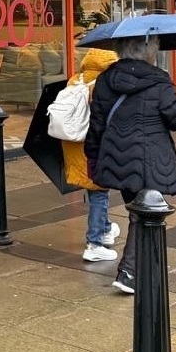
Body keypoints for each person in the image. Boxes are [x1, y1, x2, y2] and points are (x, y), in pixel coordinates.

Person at [84, 35, 176, 294]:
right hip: (151, 159)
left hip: (116, 157)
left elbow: (96, 125)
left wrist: (93, 158)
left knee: (138, 210)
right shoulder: (159, 80)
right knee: (144, 214)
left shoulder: (105, 80)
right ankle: (129, 272)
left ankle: (142, 266)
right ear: (150, 50)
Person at [60, 47, 120, 262]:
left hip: (72, 142)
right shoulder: (104, 85)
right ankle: (94, 243)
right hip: (92, 143)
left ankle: (105, 228)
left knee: (94, 188)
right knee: (99, 191)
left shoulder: (75, 80)